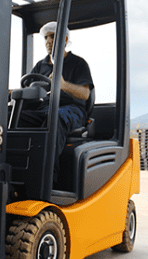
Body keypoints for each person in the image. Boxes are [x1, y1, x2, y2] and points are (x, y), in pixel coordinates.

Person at [18, 21, 93, 165]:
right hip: (44, 108)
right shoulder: (41, 65)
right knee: (13, 117)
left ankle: (49, 173)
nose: (48, 41)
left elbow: (85, 94)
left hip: (72, 109)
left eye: (52, 36)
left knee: (55, 118)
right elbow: (27, 87)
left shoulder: (78, 63)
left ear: (65, 39)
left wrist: (63, 85)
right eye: (46, 38)